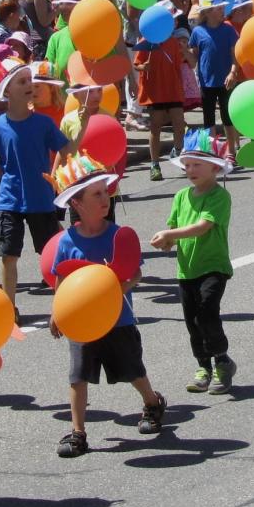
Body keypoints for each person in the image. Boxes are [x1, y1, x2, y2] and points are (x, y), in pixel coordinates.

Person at [49, 153, 166, 459]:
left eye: (106, 192)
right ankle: (78, 432)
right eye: (97, 194)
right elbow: (63, 277)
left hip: (118, 319)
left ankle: (153, 403)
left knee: (131, 370)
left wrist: (116, 291)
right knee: (77, 376)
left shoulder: (118, 236)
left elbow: (136, 272)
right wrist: (57, 313)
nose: (105, 199)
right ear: (77, 204)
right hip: (82, 322)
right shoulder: (67, 241)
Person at [150, 130, 236, 396]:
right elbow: (174, 227)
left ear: (215, 166)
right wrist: (166, 241)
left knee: (207, 312)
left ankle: (222, 360)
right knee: (192, 322)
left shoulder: (219, 196)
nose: (191, 169)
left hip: (213, 266)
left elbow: (202, 226)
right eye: (187, 165)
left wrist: (171, 235)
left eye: (197, 164)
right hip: (187, 269)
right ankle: (203, 367)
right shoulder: (180, 197)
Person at [0, 58, 68, 310]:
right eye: (22, 81)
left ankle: (64, 305)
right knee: (8, 256)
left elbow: (65, 149)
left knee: (52, 255)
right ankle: (9, 308)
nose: (29, 85)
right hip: (9, 199)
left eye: (30, 80)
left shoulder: (43, 123)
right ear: (7, 90)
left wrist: (58, 176)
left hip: (41, 198)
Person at [134, 6, 189, 183]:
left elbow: (180, 64)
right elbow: (137, 64)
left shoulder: (174, 42)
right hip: (155, 91)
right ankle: (154, 164)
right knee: (156, 127)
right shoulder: (146, 41)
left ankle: (178, 151)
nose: (174, 22)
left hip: (173, 89)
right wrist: (144, 67)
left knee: (179, 124)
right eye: (171, 20)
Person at [189, 0, 238, 154]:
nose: (223, 10)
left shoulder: (229, 30)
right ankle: (208, 152)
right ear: (208, 12)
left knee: (227, 118)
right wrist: (183, 51)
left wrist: (232, 72)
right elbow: (194, 58)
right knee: (208, 119)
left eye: (223, 7)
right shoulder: (197, 32)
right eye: (219, 8)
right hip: (206, 82)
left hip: (226, 81)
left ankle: (231, 152)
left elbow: (235, 55)